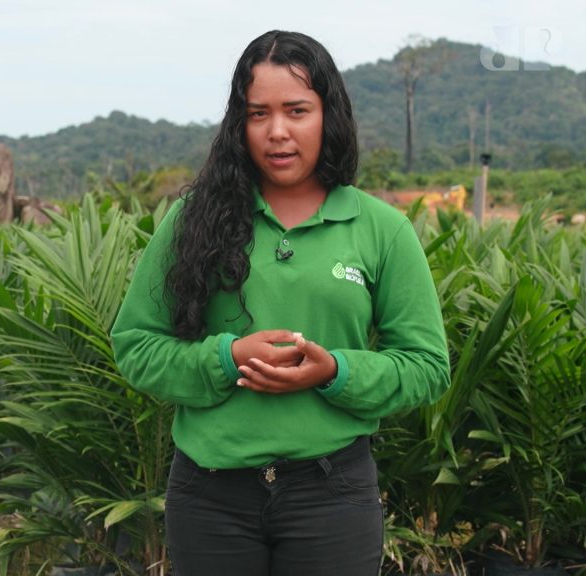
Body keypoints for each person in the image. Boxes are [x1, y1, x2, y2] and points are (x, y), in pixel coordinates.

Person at [110, 30, 450, 575]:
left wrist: (335, 371)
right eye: (257, 114)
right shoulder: (193, 219)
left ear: (328, 115)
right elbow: (136, 346)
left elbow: (427, 367)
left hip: (332, 494)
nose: (277, 132)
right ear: (238, 124)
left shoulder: (382, 230)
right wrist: (227, 358)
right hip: (210, 495)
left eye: (297, 110)